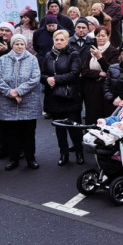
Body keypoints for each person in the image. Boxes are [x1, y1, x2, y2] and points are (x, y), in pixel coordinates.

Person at [0, 34, 42, 171]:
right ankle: (13, 159)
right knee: (11, 133)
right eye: (16, 44)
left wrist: (19, 91)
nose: (19, 46)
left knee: (28, 133)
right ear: (12, 45)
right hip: (8, 102)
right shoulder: (3, 59)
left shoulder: (32, 59)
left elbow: (35, 78)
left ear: (25, 45)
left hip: (28, 102)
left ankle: (30, 158)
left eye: (22, 44)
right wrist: (10, 93)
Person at [41, 29, 83, 166]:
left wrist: (56, 79)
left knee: (74, 128)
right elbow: (42, 74)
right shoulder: (48, 55)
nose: (59, 42)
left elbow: (75, 73)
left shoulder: (73, 54)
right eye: (56, 40)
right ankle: (63, 154)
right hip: (54, 97)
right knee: (59, 128)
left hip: (70, 97)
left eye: (62, 40)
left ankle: (79, 153)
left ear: (67, 40)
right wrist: (47, 79)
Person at [81, 27, 120, 125]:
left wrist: (100, 58)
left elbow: (111, 71)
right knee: (92, 117)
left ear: (108, 36)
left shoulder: (113, 51)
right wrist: (98, 73)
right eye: (98, 36)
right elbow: (84, 71)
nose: (100, 38)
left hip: (106, 90)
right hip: (91, 89)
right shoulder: (91, 50)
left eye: (103, 36)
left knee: (105, 117)